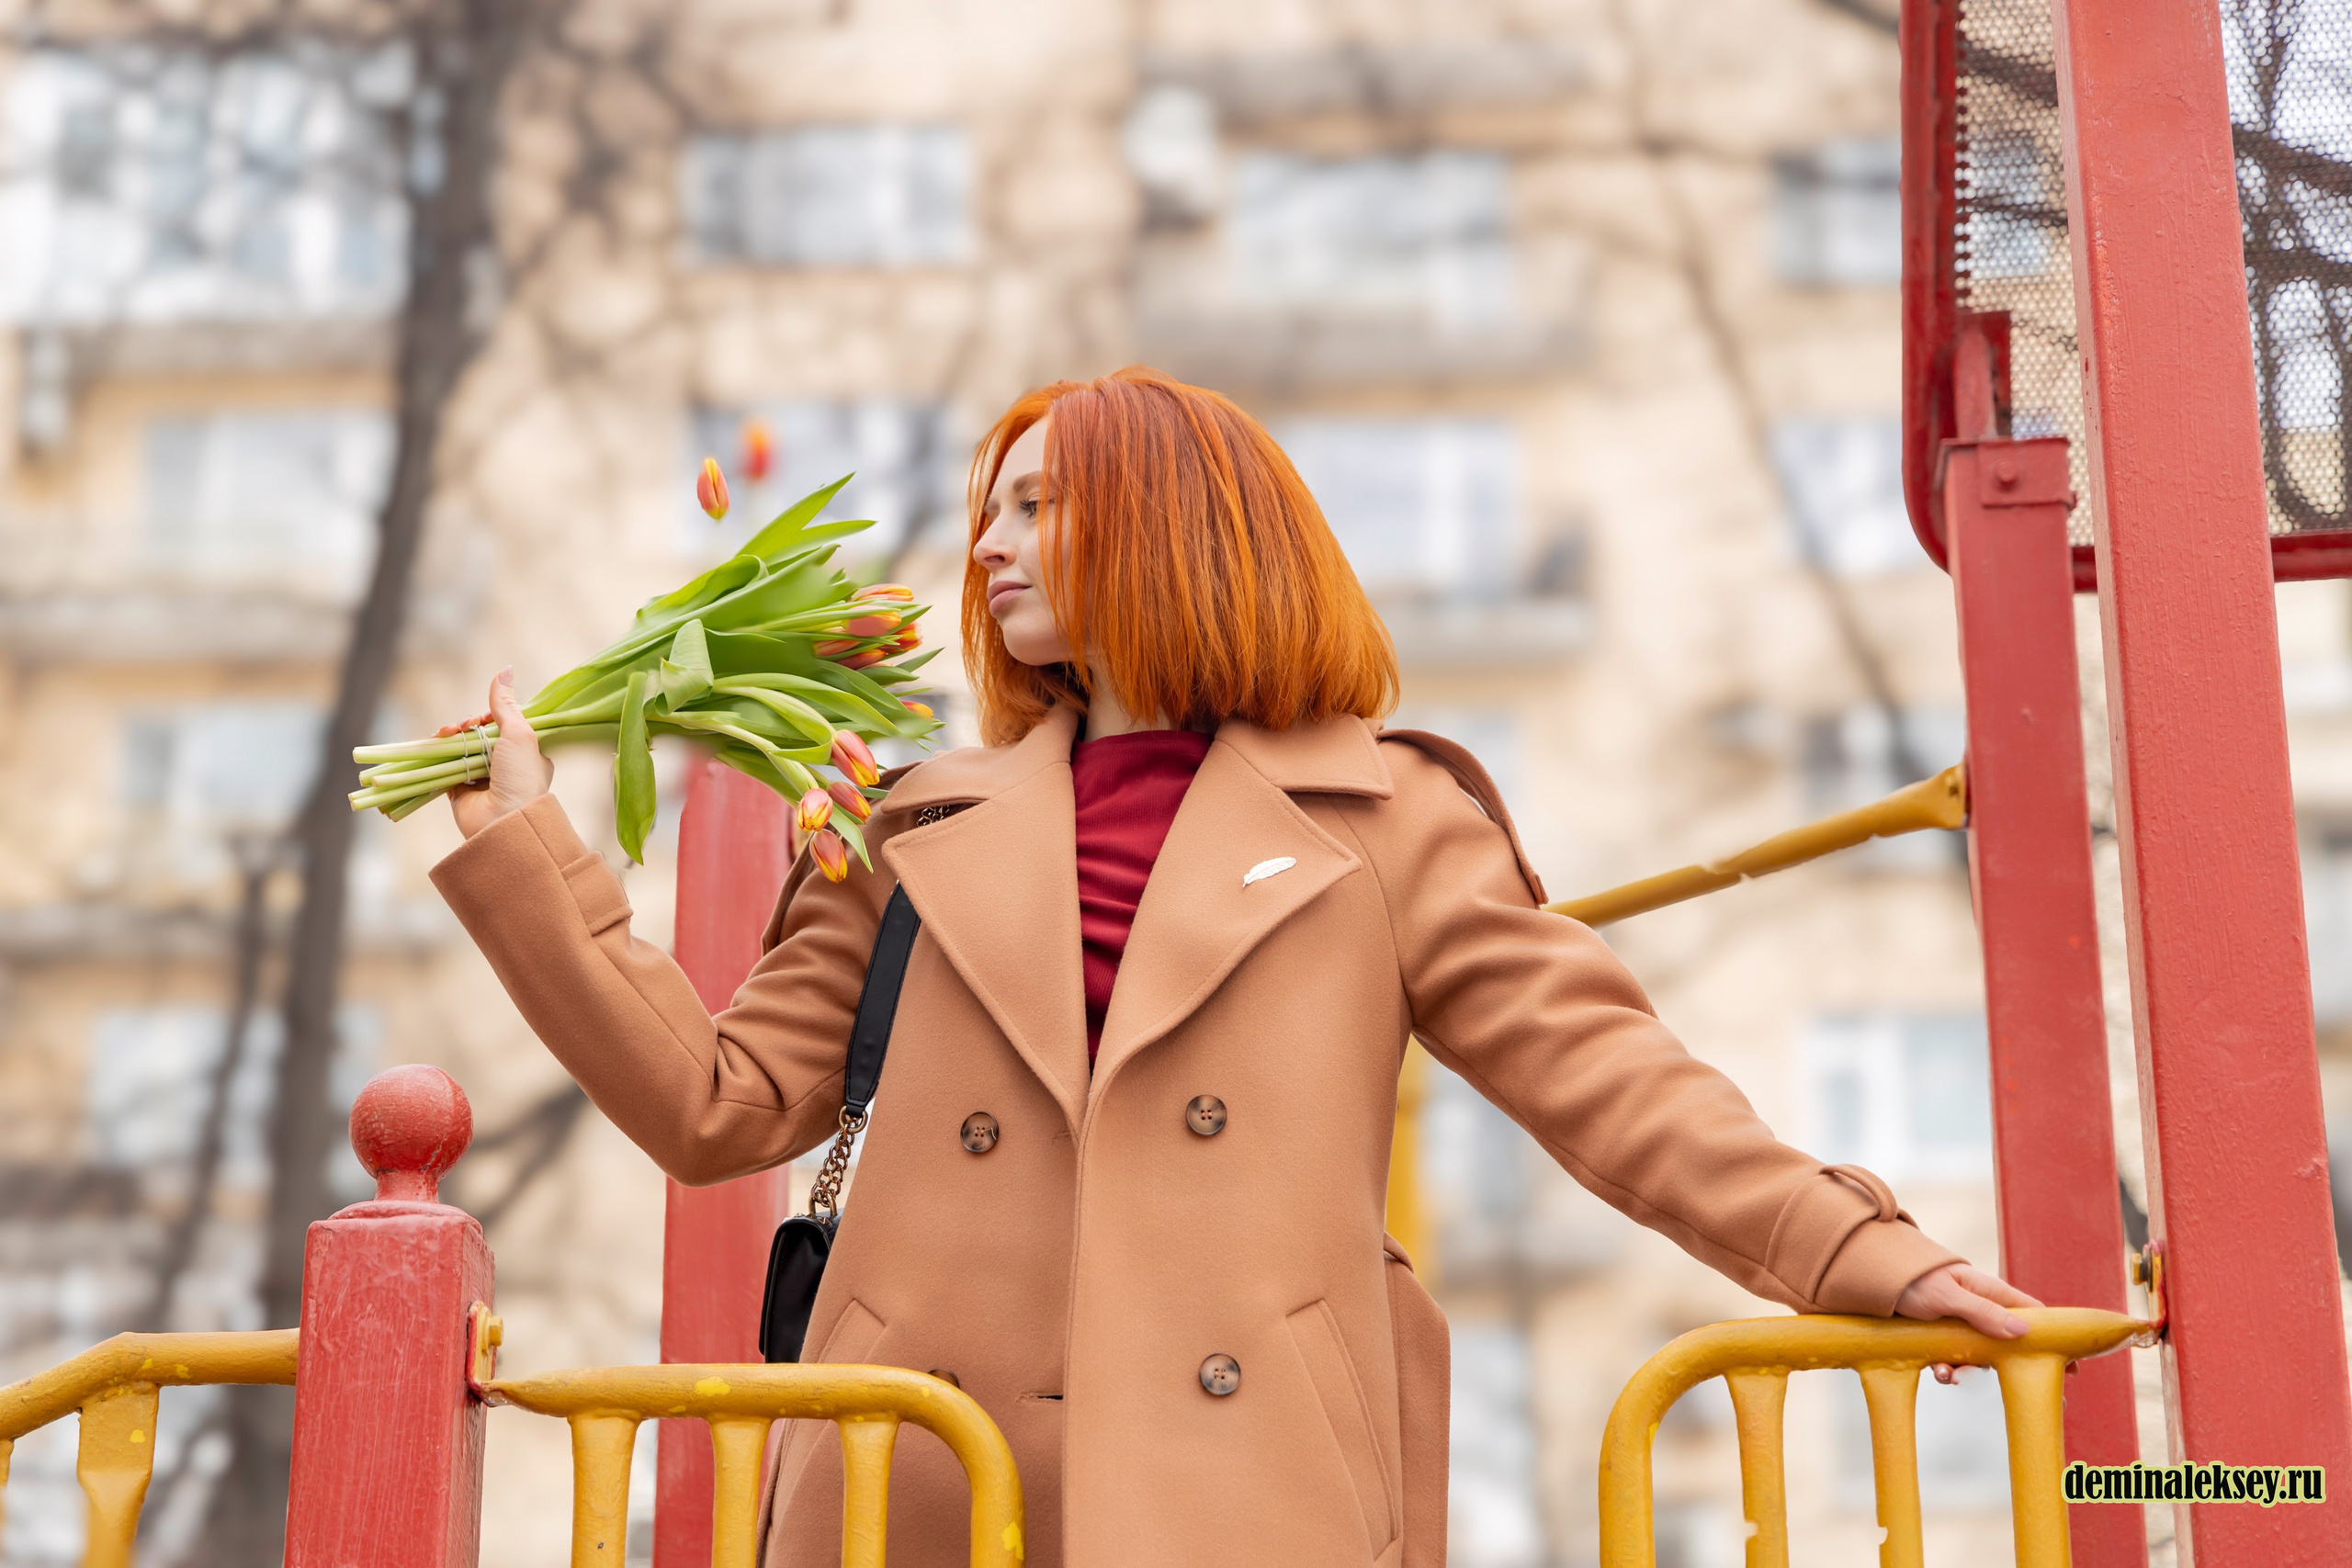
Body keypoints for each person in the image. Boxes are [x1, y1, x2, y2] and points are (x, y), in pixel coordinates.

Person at [426, 367, 2035, 1568]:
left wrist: (1856, 1250)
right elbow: (722, 1104)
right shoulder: (911, 816)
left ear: (1172, 526)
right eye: (992, 505)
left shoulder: (1389, 819)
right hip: (909, 1479)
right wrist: (526, 848)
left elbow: (1608, 1086)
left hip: (1242, 1488)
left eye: (1039, 504)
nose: (990, 544)